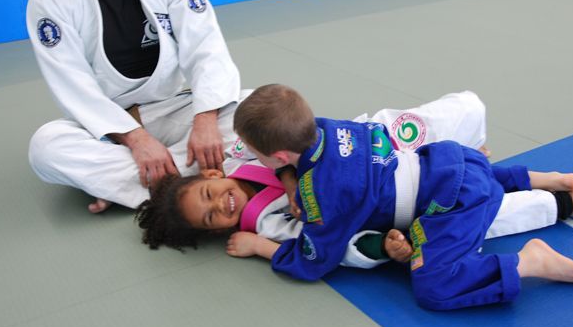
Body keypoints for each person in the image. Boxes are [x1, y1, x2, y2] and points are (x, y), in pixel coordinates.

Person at [228, 84, 573, 311]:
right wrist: (289, 177)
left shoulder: (323, 195)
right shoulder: (329, 127)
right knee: (475, 178)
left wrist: (260, 246)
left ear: (279, 156)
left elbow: (316, 259)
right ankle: (550, 179)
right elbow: (301, 159)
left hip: (450, 202)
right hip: (450, 158)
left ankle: (529, 262)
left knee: (433, 287)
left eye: (255, 154)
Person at [26, 0, 244, 214]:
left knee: (255, 110)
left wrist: (205, 117)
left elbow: (206, 48)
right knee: (45, 148)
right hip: (109, 127)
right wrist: (137, 140)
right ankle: (191, 179)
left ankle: (136, 185)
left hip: (170, 108)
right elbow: (73, 86)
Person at [136, 91, 492, 269]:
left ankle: (470, 148)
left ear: (212, 175)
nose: (221, 203)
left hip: (365, 148)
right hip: (370, 197)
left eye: (210, 193)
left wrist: (290, 184)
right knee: (485, 212)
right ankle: (386, 243)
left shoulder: (237, 158)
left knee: (466, 107)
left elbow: (278, 149)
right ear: (218, 231)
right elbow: (319, 246)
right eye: (213, 216)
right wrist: (258, 247)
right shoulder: (265, 224)